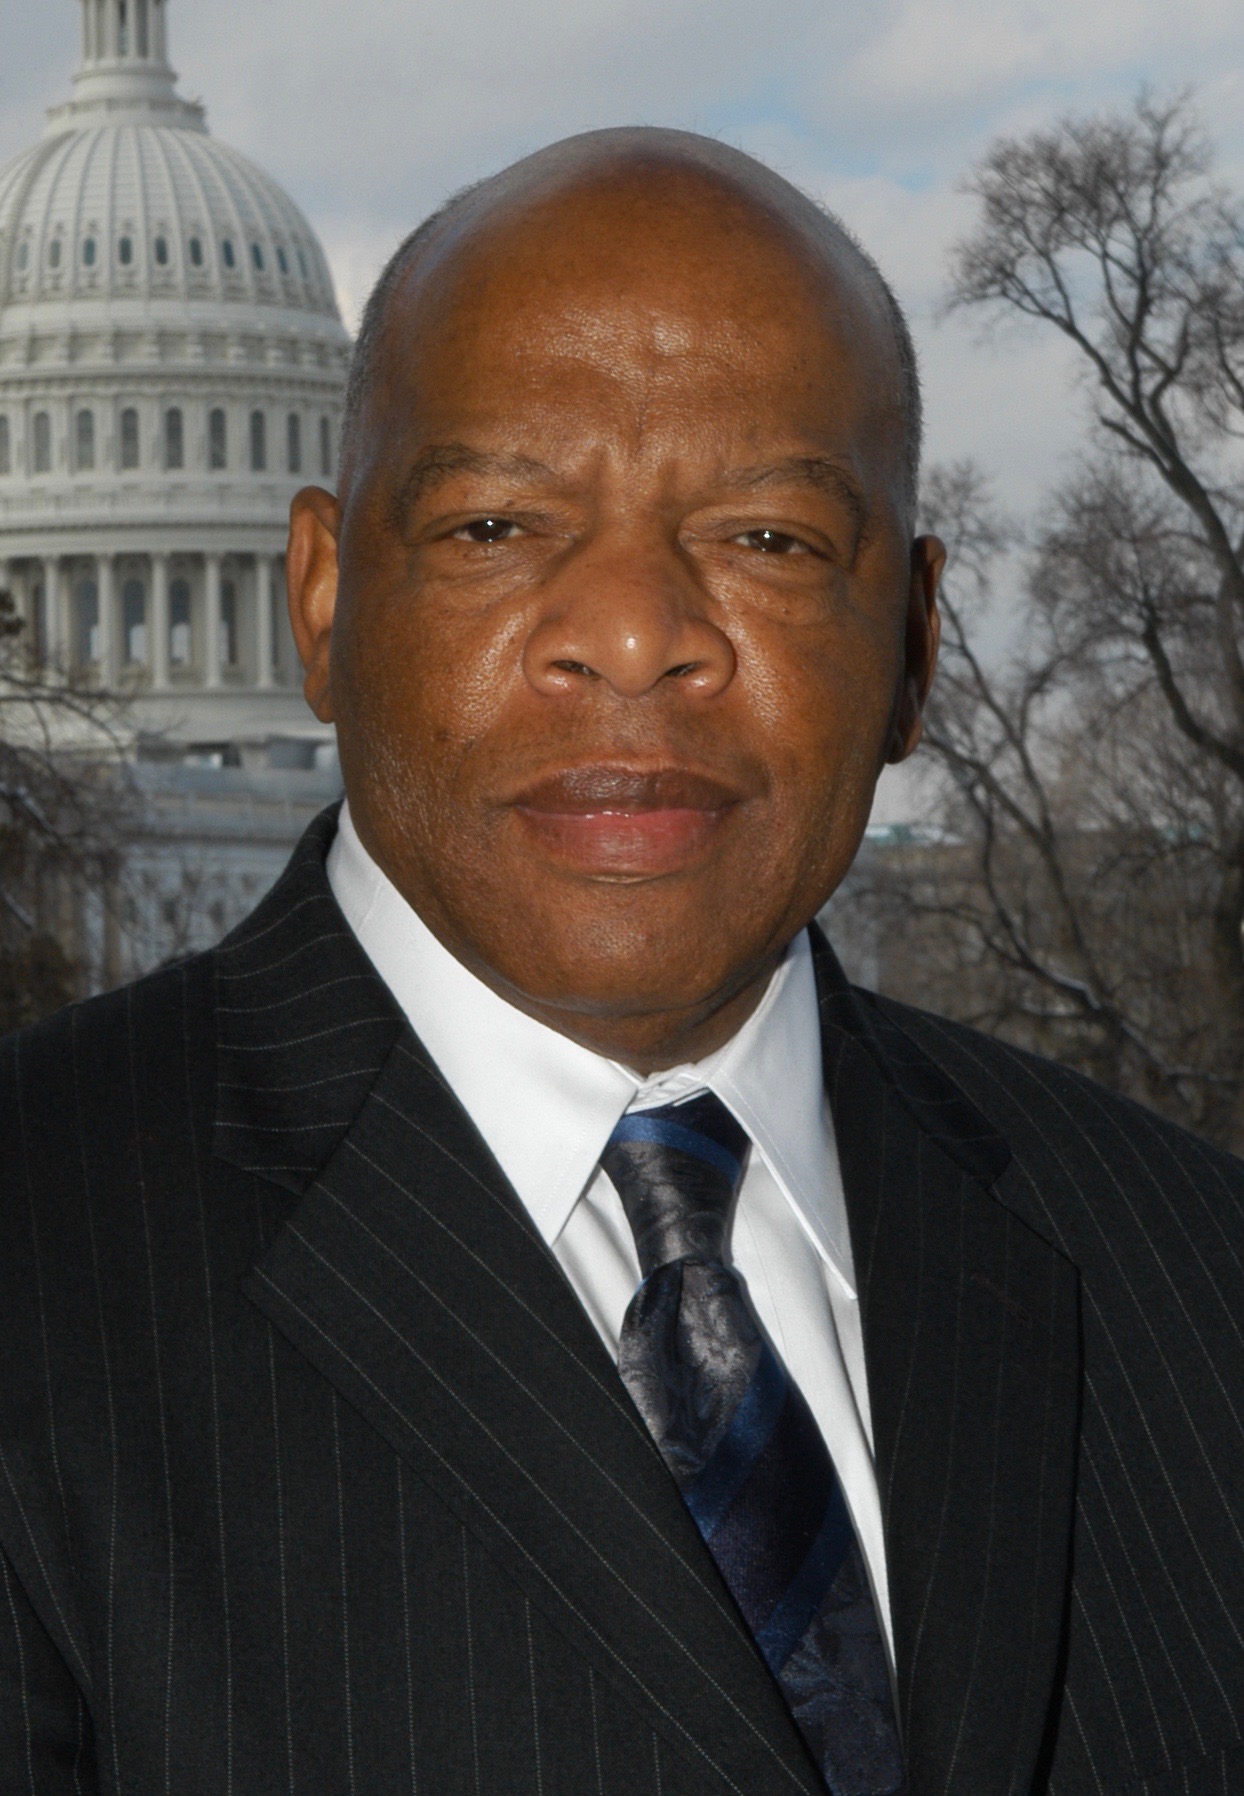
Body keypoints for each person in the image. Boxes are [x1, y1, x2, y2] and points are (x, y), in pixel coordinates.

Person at [1, 128, 1241, 1796]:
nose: (636, 631)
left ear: (918, 649)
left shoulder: (1191, 1276)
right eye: (501, 523)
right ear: (319, 595)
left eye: (770, 539)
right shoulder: (42, 1253)